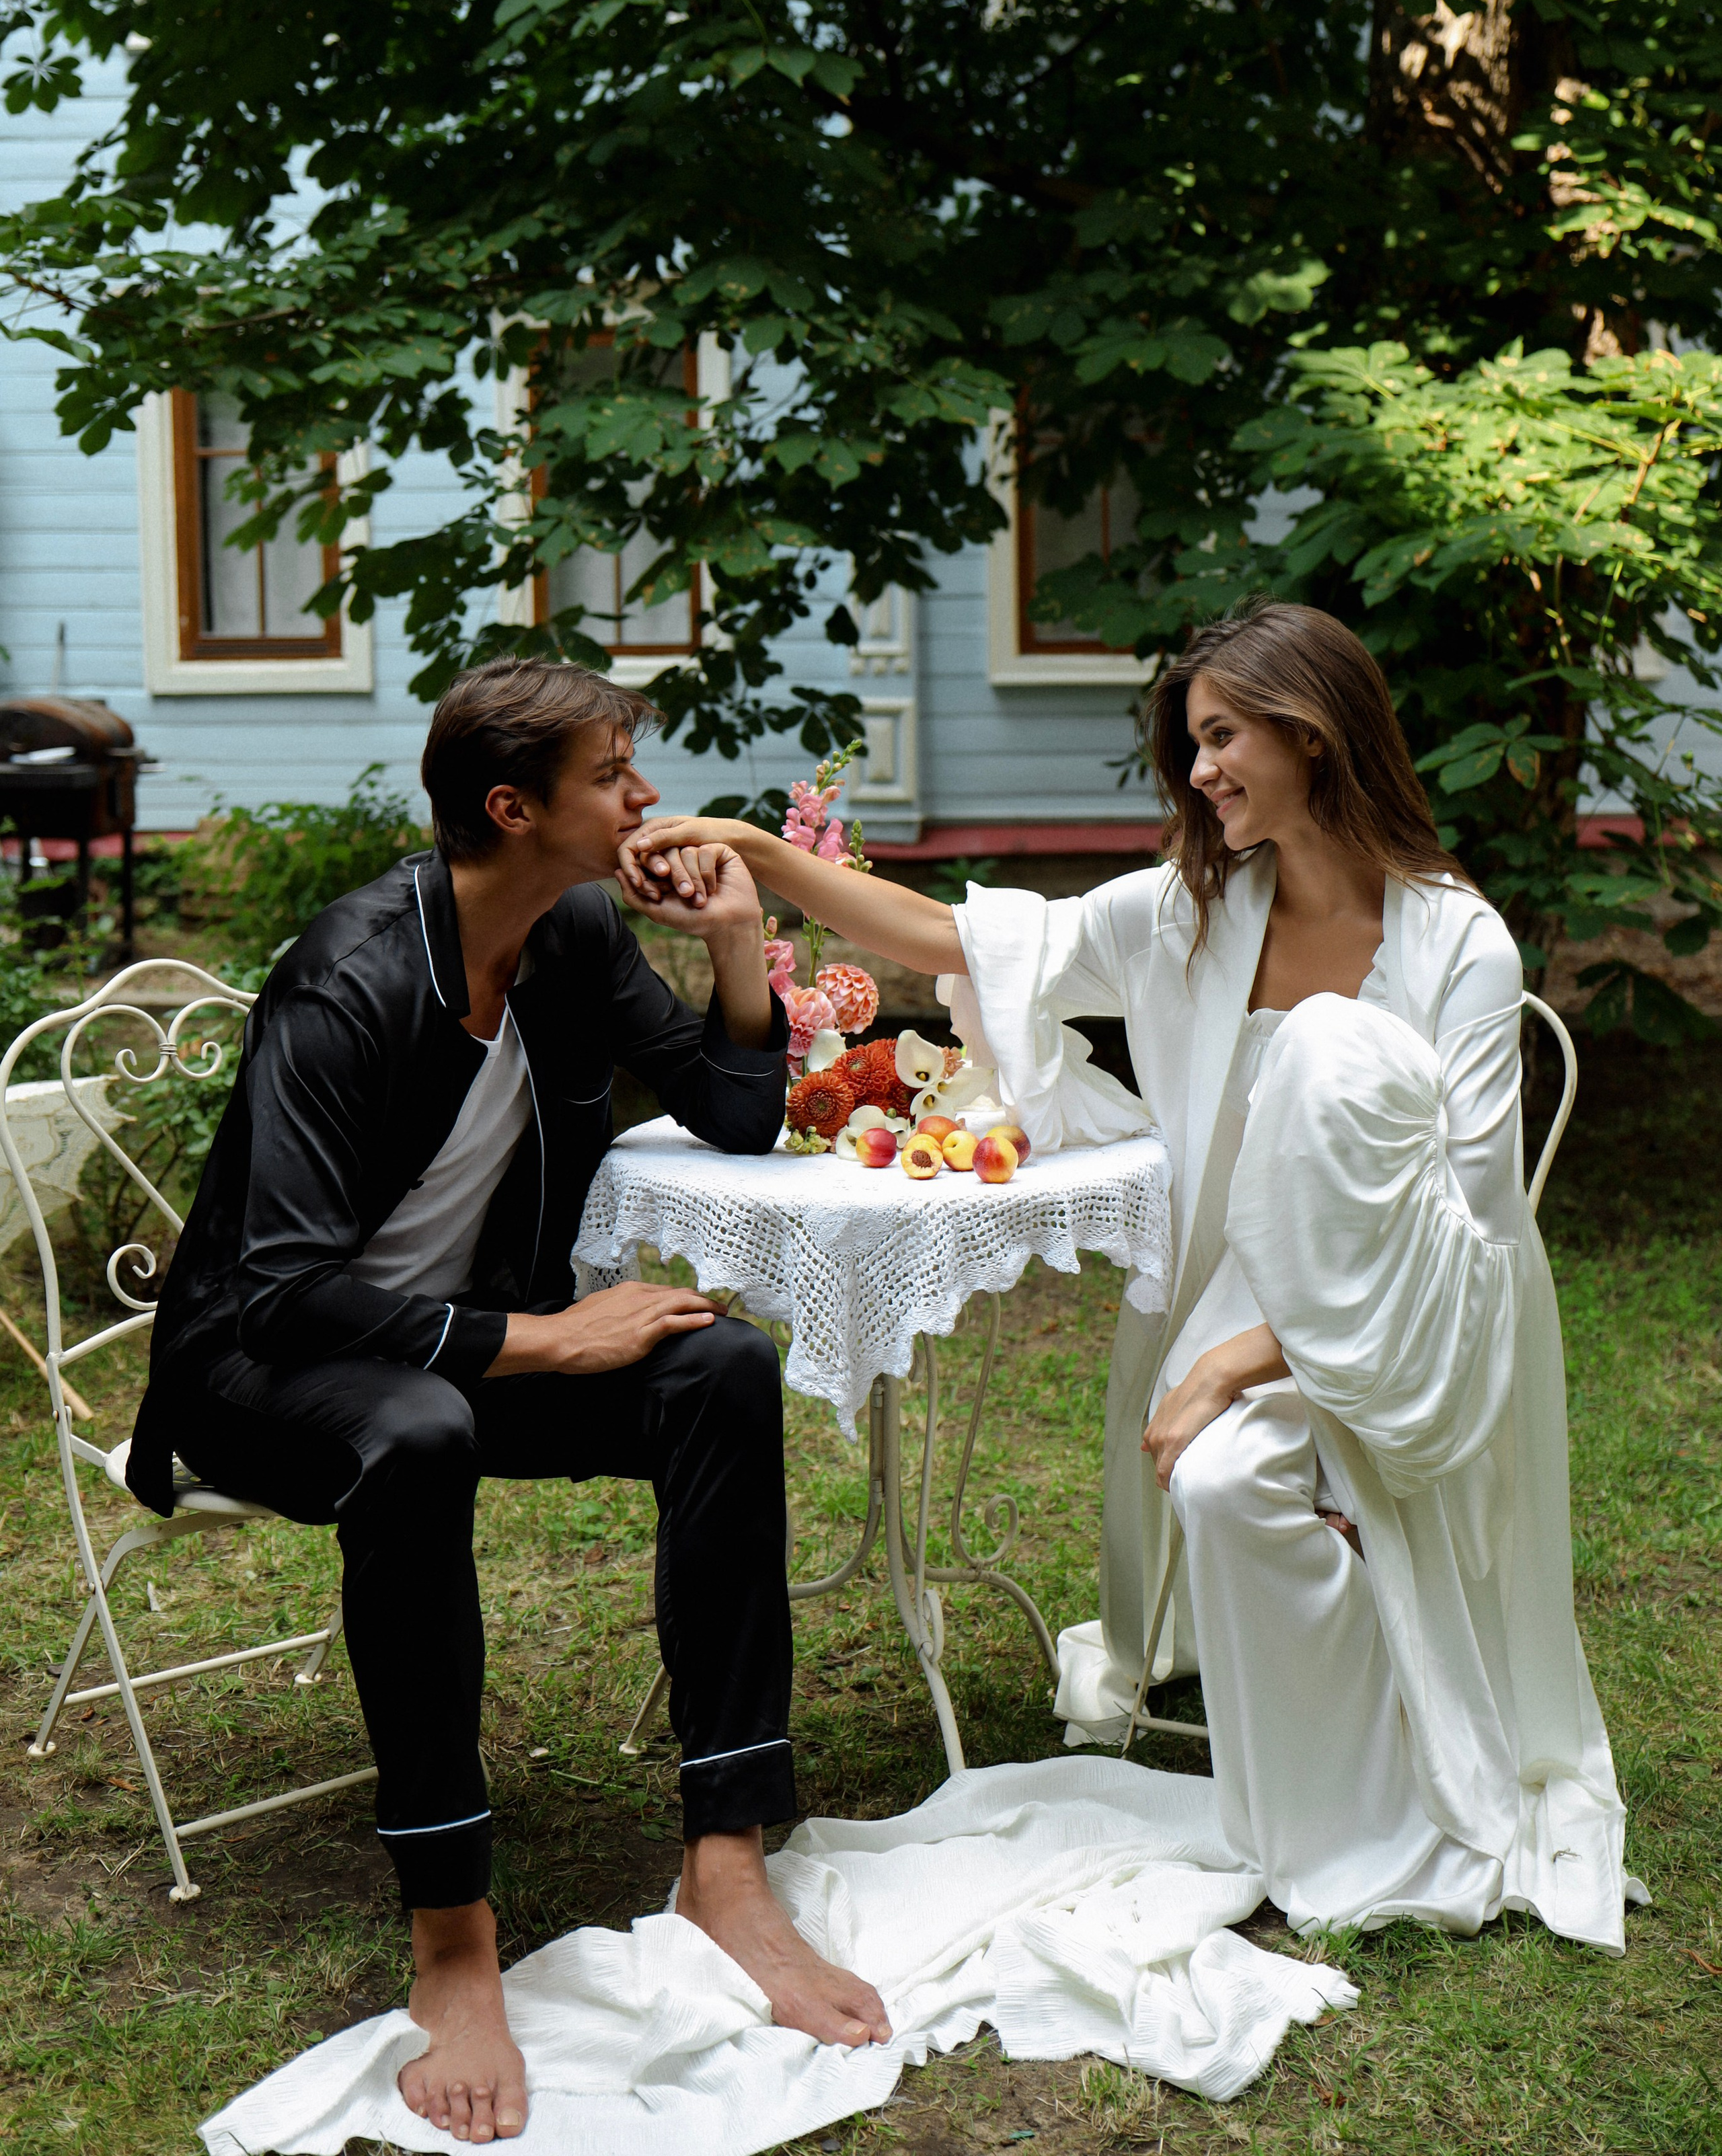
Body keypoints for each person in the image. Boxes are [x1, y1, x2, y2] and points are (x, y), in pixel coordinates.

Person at [619, 599, 1642, 1955]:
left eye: (1221, 737)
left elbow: (1461, 1220)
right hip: (1239, 1293)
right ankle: (1313, 1795)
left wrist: (1230, 1364)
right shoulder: (1193, 912)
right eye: (1193, 743)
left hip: (1420, 1322)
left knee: (1225, 1471)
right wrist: (754, 847)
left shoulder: (1458, 945)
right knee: (1221, 1485)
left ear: (1312, 730)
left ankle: (1376, 1786)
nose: (1200, 769)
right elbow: (946, 941)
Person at [126, 658, 890, 2150]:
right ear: (510, 806)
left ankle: (725, 1858)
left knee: (717, 1370)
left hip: (459, 1350)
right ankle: (453, 1934)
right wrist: (545, 1343)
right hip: (259, 1374)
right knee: (423, 1433)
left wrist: (739, 943)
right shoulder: (348, 981)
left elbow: (736, 1112)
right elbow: (279, 1290)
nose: (644, 799)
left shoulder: (574, 930)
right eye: (615, 774)